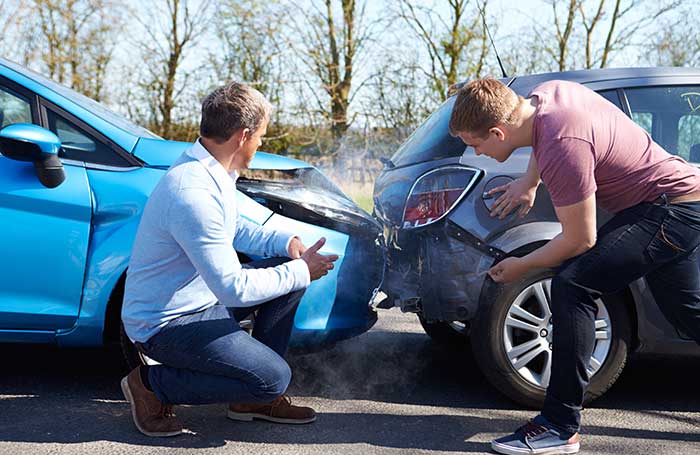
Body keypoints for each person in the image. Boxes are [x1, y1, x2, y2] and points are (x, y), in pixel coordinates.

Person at [449, 78, 700, 455]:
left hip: (669, 210)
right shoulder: (546, 96)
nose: (478, 153)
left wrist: (523, 266)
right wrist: (529, 181)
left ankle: (559, 425)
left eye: (476, 144)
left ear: (498, 132)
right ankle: (559, 424)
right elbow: (542, 134)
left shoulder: (562, 144)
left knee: (573, 285)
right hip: (678, 200)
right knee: (688, 314)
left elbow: (580, 240)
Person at [120, 81, 338, 437]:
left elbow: (235, 229)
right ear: (243, 135)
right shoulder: (192, 191)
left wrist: (288, 243)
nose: (261, 144)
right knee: (274, 377)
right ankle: (150, 384)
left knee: (286, 278)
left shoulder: (210, 171)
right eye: (261, 136)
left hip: (201, 302)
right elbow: (233, 288)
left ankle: (251, 399)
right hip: (166, 324)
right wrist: (300, 271)